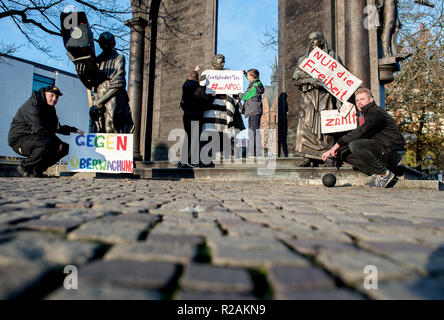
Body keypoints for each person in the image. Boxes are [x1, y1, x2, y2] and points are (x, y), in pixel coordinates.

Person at [321, 88, 405, 188]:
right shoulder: (366, 114)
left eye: (362, 99)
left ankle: (383, 174)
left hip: (391, 152)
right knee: (344, 152)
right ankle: (381, 174)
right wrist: (338, 149)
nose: (359, 103)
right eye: (357, 100)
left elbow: (361, 131)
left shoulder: (376, 112)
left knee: (355, 145)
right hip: (383, 151)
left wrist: (335, 146)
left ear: (371, 100)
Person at [8, 86, 85, 177]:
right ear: (44, 94)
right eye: (51, 95)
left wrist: (74, 130)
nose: (54, 99)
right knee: (47, 144)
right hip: (19, 140)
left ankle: (38, 170)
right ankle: (24, 167)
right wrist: (56, 143)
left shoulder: (50, 108)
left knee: (64, 148)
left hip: (36, 138)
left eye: (57, 97)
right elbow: (39, 129)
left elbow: (56, 127)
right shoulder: (33, 105)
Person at [292, 32, 343, 166]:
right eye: (309, 39)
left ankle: (329, 156)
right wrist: (310, 79)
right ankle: (308, 156)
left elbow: (341, 78)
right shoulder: (303, 59)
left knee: (326, 126)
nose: (311, 42)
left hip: (326, 96)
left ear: (321, 41)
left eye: (314, 39)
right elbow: (296, 80)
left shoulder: (332, 57)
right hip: (309, 97)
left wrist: (340, 101)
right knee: (306, 125)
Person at [77, 32, 134, 133]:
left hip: (112, 97)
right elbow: (91, 85)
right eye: (102, 43)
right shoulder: (97, 60)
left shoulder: (119, 58)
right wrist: (81, 75)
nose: (105, 45)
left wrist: (100, 101)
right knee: (97, 129)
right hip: (99, 97)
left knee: (111, 127)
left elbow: (118, 84)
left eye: (108, 42)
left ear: (113, 44)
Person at [200, 54, 242, 161]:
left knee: (224, 131)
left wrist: (239, 76)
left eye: (224, 61)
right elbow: (202, 88)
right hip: (211, 109)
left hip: (224, 108)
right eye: (220, 61)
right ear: (215, 62)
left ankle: (224, 153)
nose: (223, 63)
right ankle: (207, 154)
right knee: (210, 130)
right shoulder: (207, 73)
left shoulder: (228, 74)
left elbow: (234, 87)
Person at [179, 64, 215, 167]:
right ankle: (192, 161)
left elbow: (188, 79)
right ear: (198, 79)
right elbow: (205, 102)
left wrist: (194, 70)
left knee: (188, 137)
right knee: (194, 138)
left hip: (186, 115)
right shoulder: (199, 89)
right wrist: (212, 97)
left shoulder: (184, 86)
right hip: (195, 115)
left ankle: (184, 161)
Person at [239, 69, 264, 157]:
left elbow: (246, 96)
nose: (248, 78)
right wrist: (245, 74)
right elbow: (250, 79)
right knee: (252, 131)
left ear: (253, 77)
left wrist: (237, 94)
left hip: (254, 111)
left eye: (249, 76)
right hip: (254, 111)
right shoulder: (256, 83)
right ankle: (253, 151)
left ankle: (254, 152)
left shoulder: (254, 87)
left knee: (253, 131)